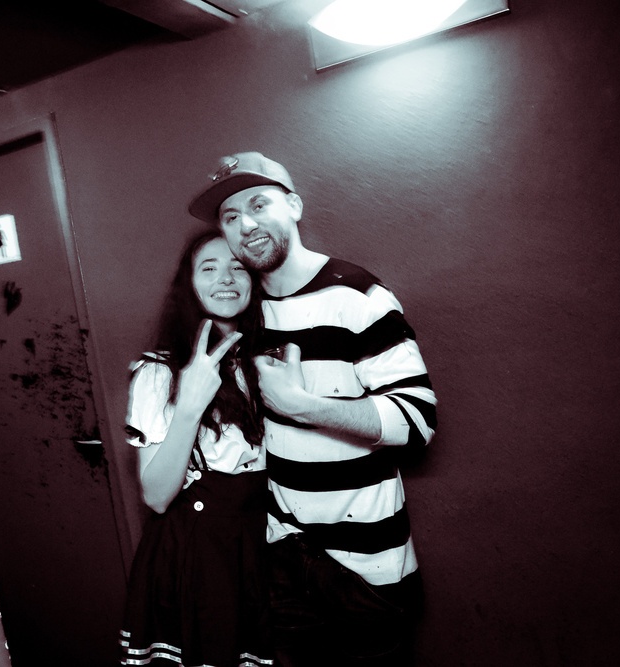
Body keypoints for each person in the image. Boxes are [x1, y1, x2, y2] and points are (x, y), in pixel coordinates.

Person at [188, 152, 438, 666]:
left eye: (259, 205)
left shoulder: (358, 296)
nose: (246, 225)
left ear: (295, 206)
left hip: (366, 570)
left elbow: (419, 422)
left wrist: (305, 407)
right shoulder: (245, 311)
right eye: (230, 217)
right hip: (283, 558)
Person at [120, 229, 274, 667]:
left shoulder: (265, 361)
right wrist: (189, 407)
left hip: (260, 545)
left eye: (238, 267)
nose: (225, 278)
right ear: (189, 284)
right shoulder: (160, 373)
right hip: (197, 552)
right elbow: (156, 495)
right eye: (209, 268)